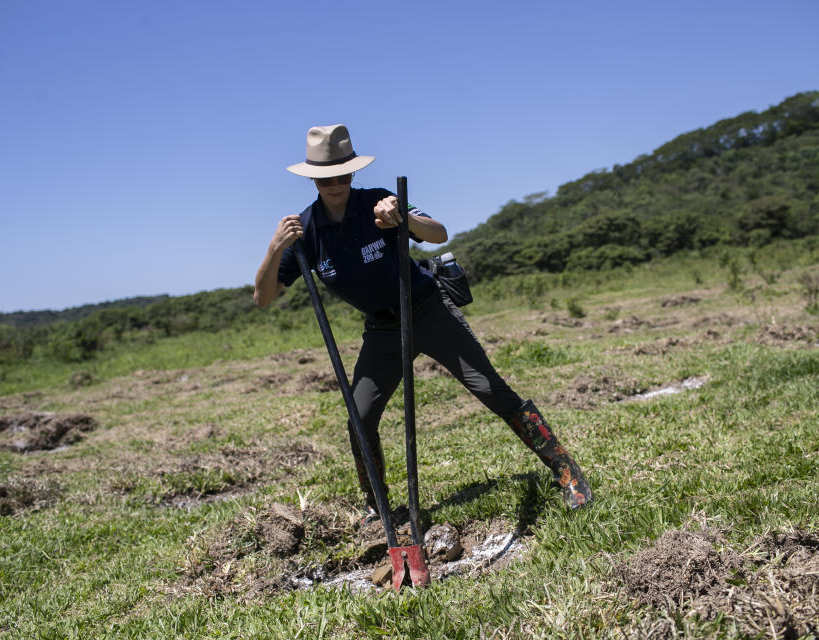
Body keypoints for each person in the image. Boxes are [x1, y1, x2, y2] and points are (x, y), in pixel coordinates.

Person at [254, 124, 592, 519]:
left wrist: (403, 221)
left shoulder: (380, 200)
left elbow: (438, 232)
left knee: (491, 390)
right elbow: (263, 297)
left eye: (344, 173)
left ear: (353, 171)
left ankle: (567, 472)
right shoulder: (306, 230)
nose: (336, 182)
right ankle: (376, 504)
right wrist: (275, 248)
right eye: (327, 176)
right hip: (382, 330)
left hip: (427, 310)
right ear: (313, 177)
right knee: (359, 420)